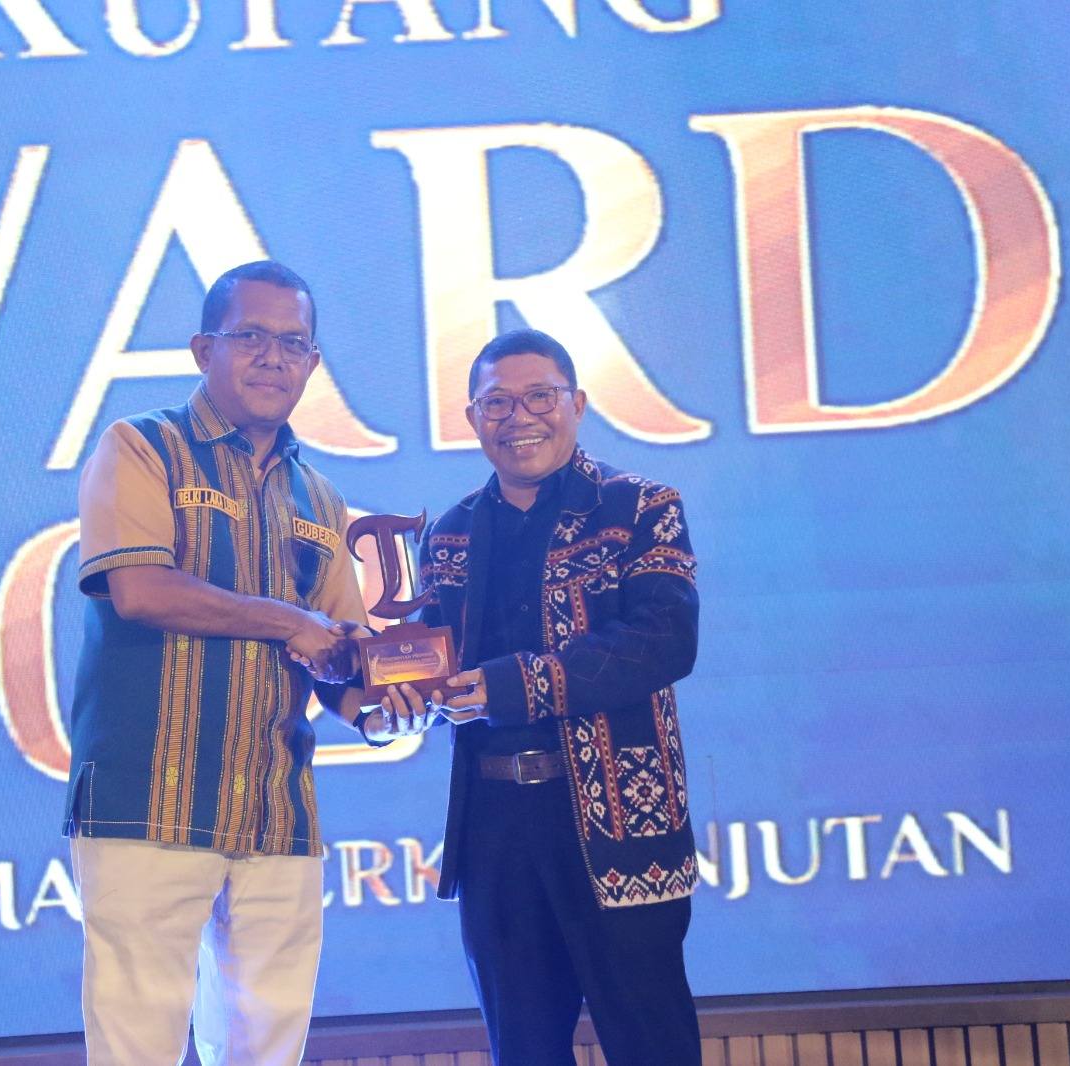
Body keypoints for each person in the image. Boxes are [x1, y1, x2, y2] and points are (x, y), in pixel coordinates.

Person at [67, 260, 403, 1065]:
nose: (272, 357)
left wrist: (392, 699)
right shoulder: (142, 447)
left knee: (267, 1052)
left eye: (292, 343)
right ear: (202, 349)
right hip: (149, 804)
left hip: (276, 813)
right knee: (137, 1049)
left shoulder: (319, 497)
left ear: (312, 363)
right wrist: (290, 621)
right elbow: (140, 590)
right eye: (250, 336)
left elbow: (337, 655)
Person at [382, 328, 703, 1066]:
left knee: (651, 1044)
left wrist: (510, 685)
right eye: (497, 403)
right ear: (472, 417)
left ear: (577, 405)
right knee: (523, 1048)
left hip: (619, 824)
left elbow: (665, 639)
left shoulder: (639, 507)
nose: (518, 416)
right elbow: (432, 658)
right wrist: (381, 684)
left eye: (539, 397)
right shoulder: (451, 534)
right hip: (495, 830)